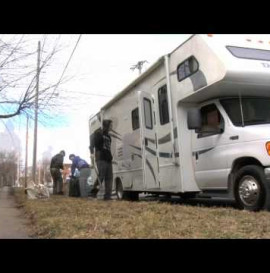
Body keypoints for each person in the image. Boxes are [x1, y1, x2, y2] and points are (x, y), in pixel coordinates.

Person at [90, 119, 113, 200]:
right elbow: (92, 143)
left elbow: (108, 147)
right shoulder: (98, 133)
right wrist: (92, 154)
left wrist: (110, 157)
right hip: (101, 157)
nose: (111, 126)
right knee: (101, 176)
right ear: (106, 125)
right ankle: (93, 193)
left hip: (108, 158)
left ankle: (107, 196)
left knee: (109, 177)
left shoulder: (108, 136)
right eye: (110, 125)